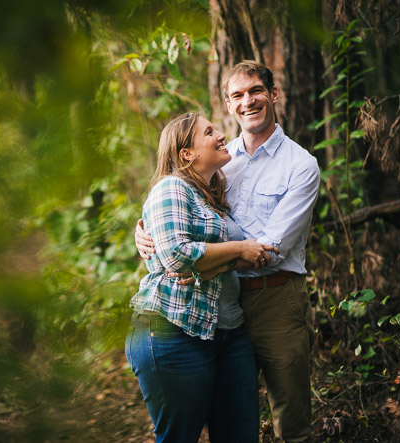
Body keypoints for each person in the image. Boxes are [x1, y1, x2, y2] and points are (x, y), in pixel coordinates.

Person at [136, 60, 321, 442]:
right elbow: (175, 212)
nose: (248, 101)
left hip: (275, 301)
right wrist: (143, 237)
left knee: (291, 422)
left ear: (273, 94)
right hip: (218, 309)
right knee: (228, 419)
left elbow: (268, 249)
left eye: (256, 91)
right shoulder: (219, 159)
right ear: (228, 103)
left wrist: (195, 264)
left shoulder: (300, 166)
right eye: (237, 95)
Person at [126, 111, 279, 442]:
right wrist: (239, 248)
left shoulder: (214, 199)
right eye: (209, 132)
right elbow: (177, 256)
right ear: (187, 154)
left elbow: (243, 257)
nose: (220, 134)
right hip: (173, 332)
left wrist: (226, 258)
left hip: (230, 334)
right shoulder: (171, 188)